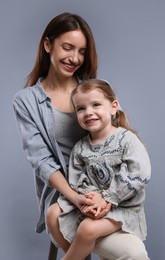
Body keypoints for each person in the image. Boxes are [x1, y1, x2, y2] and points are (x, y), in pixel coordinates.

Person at [13, 12, 150, 260]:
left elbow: (120, 136)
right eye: (68, 47)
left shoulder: (92, 90)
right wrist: (77, 197)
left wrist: (106, 197)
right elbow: (42, 160)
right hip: (65, 198)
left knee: (133, 253)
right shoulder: (26, 101)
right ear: (47, 45)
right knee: (72, 225)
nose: (75, 58)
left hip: (109, 195)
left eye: (82, 51)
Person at [57, 79, 151, 260]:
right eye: (81, 108)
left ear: (113, 107)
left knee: (87, 228)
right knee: (57, 213)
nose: (88, 112)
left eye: (96, 105)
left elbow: (139, 173)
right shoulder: (80, 148)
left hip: (125, 209)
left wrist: (107, 198)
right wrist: (92, 199)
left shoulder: (126, 139)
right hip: (97, 209)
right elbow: (77, 180)